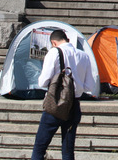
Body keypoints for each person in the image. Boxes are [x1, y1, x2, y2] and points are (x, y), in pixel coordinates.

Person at [30, 29, 96, 160]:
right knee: (68, 150)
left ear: (53, 42)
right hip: (74, 104)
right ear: (68, 40)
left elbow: (43, 81)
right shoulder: (84, 55)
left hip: (55, 104)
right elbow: (89, 86)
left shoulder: (54, 52)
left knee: (40, 147)